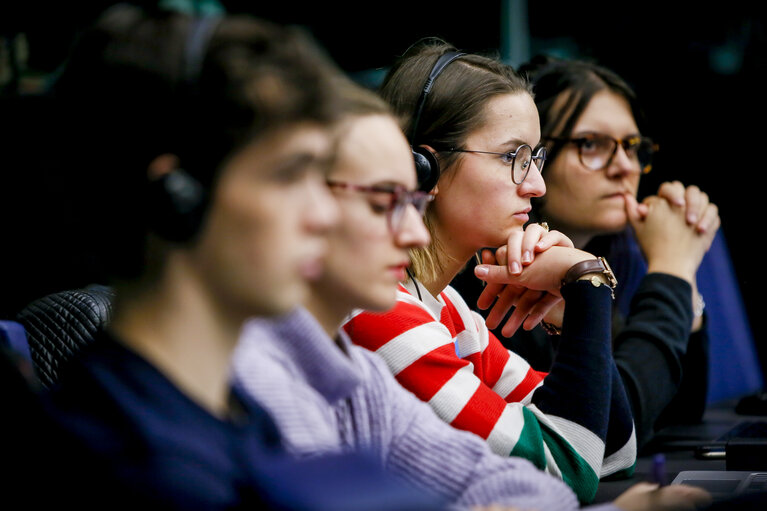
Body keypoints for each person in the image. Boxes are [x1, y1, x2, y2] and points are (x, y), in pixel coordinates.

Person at [28, 5, 446, 510]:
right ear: (177, 197)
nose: (323, 214)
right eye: (291, 175)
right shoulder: (149, 473)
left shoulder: (227, 417)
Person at [232, 71, 711, 511]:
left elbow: (611, 451)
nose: (537, 185)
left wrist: (569, 319)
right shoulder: (379, 313)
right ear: (427, 170)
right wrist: (586, 281)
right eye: (512, 158)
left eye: (535, 158)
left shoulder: (448, 308)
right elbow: (569, 467)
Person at [453, 56, 720, 450]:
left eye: (632, 147)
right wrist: (672, 270)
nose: (624, 167)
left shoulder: (582, 260)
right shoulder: (494, 272)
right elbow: (615, 426)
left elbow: (678, 410)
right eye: (591, 144)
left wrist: (686, 279)